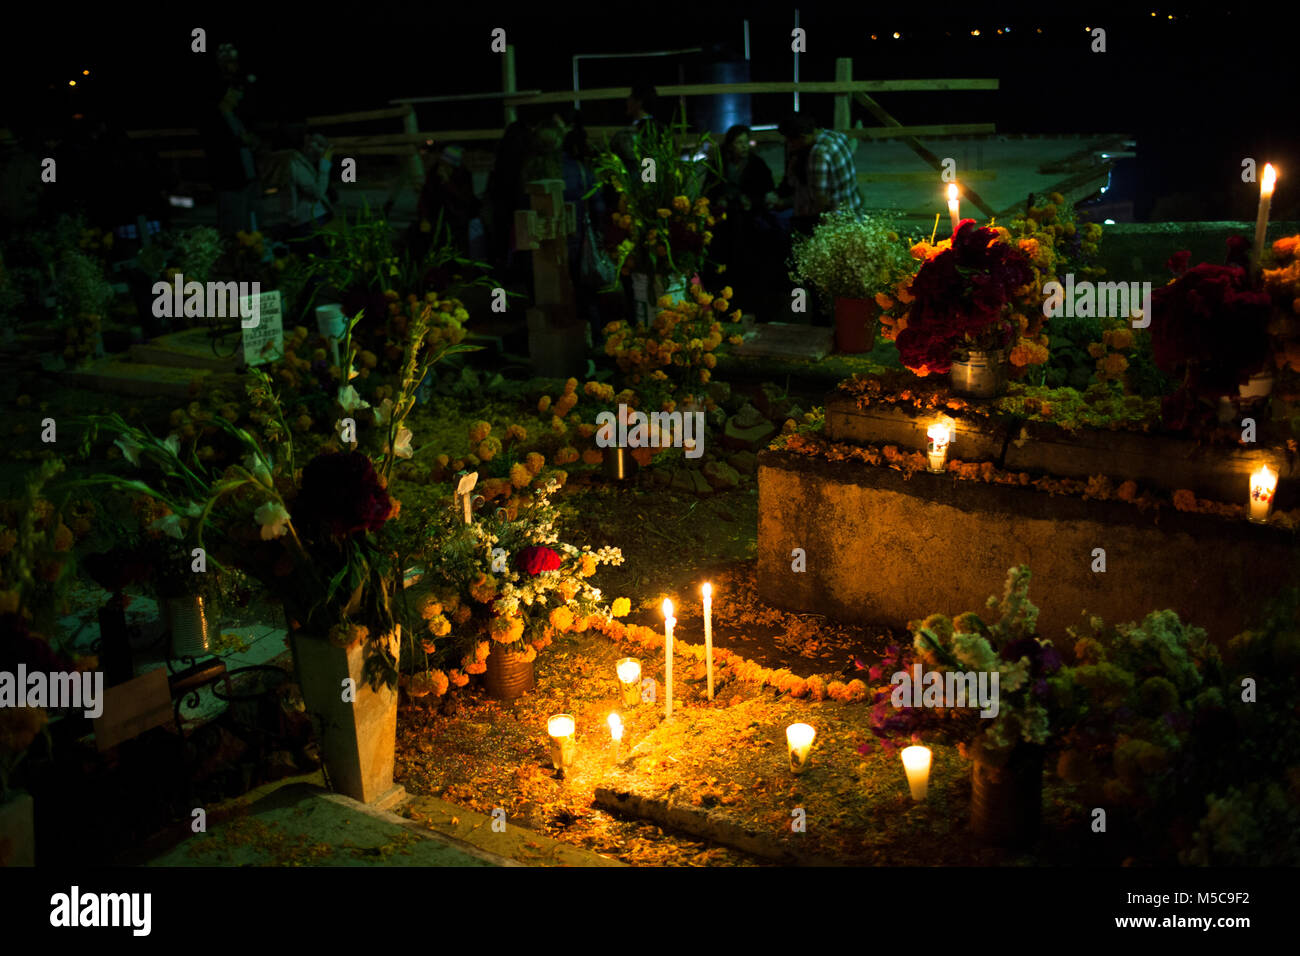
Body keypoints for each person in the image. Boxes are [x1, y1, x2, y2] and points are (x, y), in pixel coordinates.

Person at [706, 125, 778, 313]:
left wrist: (751, 201)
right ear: (730, 145)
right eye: (739, 143)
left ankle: (750, 302)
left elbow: (767, 191)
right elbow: (709, 190)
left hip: (749, 221)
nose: (744, 146)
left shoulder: (756, 164)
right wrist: (719, 200)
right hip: (724, 222)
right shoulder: (720, 164)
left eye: (746, 142)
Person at [777, 112, 864, 227]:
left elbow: (820, 199)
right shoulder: (837, 136)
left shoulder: (818, 153)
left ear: (803, 137)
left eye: (791, 141)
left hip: (836, 221)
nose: (789, 144)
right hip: (853, 209)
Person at [416, 144, 479, 255]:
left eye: (447, 165)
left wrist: (447, 184)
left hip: (458, 220)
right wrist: (424, 218)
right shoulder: (434, 173)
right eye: (443, 163)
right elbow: (425, 197)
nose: (443, 167)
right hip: (437, 218)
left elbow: (464, 199)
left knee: (458, 248)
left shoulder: (463, 175)